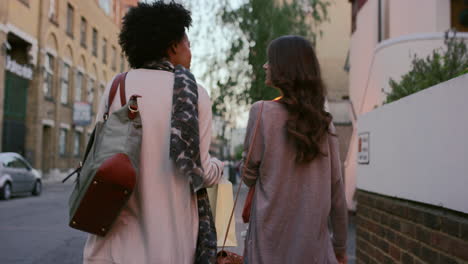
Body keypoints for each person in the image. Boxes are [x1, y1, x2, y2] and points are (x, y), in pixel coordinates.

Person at [83, 2, 224, 263]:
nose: (190, 53)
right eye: (188, 45)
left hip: (113, 247)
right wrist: (219, 166)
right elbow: (200, 172)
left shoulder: (118, 86)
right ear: (173, 46)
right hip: (171, 246)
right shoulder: (196, 95)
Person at [241, 35, 348, 264]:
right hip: (313, 251)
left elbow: (247, 176)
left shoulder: (261, 113)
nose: (265, 66)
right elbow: (337, 190)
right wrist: (339, 246)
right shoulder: (324, 122)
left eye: (270, 61)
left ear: (284, 69)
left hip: (268, 247)